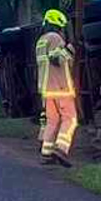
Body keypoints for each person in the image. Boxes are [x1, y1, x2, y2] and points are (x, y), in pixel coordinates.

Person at [36, 9, 77, 168]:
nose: (63, 31)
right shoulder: (55, 38)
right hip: (60, 86)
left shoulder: (40, 41)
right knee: (70, 119)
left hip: (46, 88)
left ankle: (46, 154)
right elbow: (56, 59)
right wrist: (70, 49)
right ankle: (61, 149)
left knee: (52, 121)